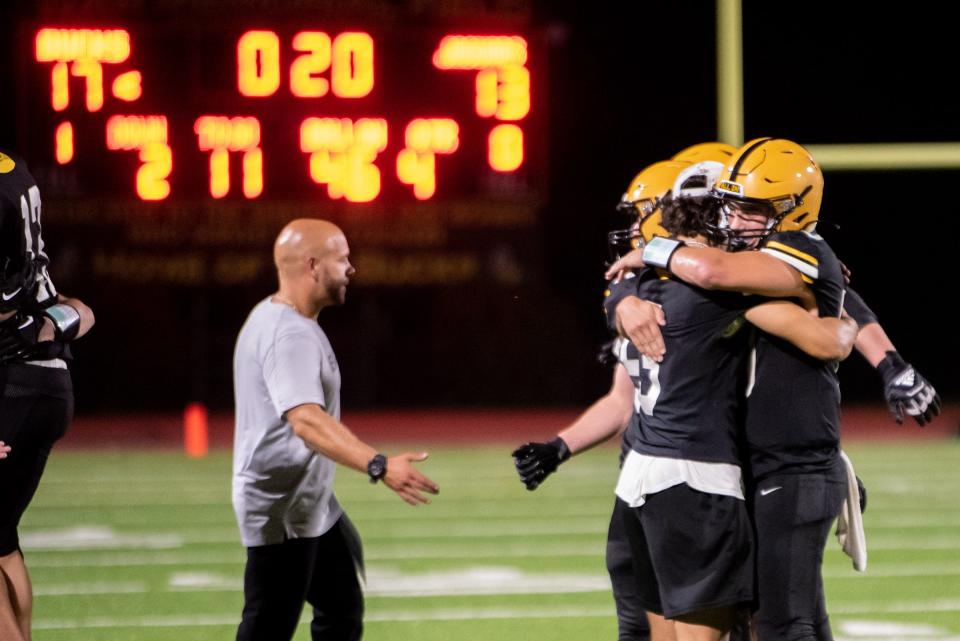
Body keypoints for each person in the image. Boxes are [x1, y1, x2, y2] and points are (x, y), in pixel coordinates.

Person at [605, 139, 938, 640]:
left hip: (791, 463)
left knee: (779, 624)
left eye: (751, 210)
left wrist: (887, 361)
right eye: (730, 206)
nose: (735, 221)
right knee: (787, 618)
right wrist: (624, 296)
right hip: (749, 463)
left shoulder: (797, 251)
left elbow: (833, 324)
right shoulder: (736, 268)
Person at [515, 159, 858, 641]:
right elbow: (828, 341)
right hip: (697, 477)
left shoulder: (640, 290)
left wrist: (622, 294)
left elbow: (622, 381)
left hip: (639, 477)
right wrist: (843, 325)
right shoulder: (724, 294)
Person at [232, 218, 439, 641]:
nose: (352, 268)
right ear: (313, 266)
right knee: (269, 626)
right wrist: (379, 465)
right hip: (282, 508)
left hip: (308, 502)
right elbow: (306, 420)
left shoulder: (285, 319)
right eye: (342, 259)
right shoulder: (288, 334)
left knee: (341, 607)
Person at [0, 148, 95, 641]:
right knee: (1, 537)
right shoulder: (14, 173)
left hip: (15, 388)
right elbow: (77, 310)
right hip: (46, 385)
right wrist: (53, 326)